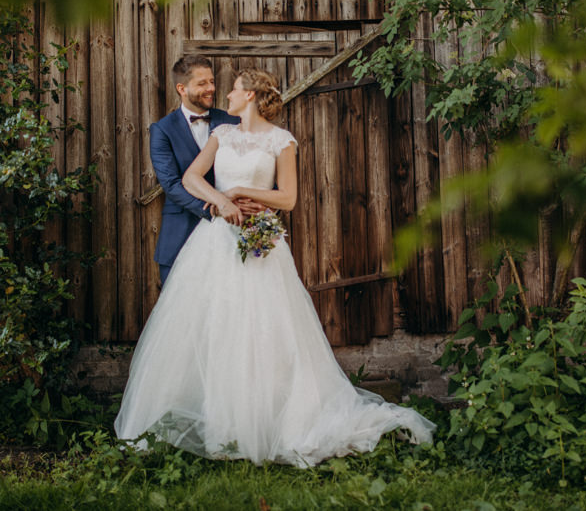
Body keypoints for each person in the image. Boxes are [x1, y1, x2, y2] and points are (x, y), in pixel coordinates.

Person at [115, 68, 435, 467]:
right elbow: (191, 177)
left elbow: (288, 199)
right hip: (216, 242)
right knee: (218, 330)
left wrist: (244, 191)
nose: (225, 94)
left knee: (265, 331)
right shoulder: (222, 135)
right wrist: (222, 201)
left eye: (232, 88)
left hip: (262, 246)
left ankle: (269, 421)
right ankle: (221, 425)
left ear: (249, 95)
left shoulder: (282, 142)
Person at [149, 56, 239, 287]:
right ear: (182, 88)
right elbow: (171, 184)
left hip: (232, 234)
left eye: (211, 81)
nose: (211, 88)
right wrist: (213, 210)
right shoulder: (162, 130)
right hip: (181, 234)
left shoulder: (232, 121)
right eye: (202, 84)